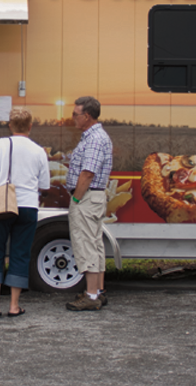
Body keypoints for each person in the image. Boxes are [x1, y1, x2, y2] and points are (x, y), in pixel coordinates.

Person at [0, 108, 50, 318]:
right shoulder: (39, 150)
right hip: (28, 206)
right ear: (30, 126)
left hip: (1, 204)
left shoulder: (1, 144)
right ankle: (14, 305)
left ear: (10, 125)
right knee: (20, 254)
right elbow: (44, 185)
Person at [64, 96, 113, 311]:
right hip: (93, 196)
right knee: (95, 244)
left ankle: (91, 296)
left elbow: (87, 172)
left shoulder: (94, 139)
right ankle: (98, 291)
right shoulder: (94, 136)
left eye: (76, 114)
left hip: (87, 196)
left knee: (86, 244)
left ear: (88, 116)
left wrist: (76, 198)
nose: (73, 117)